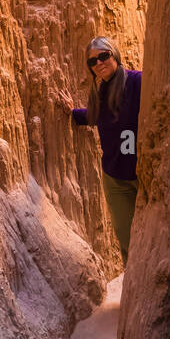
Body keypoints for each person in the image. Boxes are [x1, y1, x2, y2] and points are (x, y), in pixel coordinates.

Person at [58, 36, 140, 266]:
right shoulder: (100, 92)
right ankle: (134, 287)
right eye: (92, 61)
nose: (99, 63)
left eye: (103, 56)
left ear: (115, 55)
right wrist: (72, 112)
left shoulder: (137, 81)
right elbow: (97, 117)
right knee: (127, 239)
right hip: (116, 179)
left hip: (143, 174)